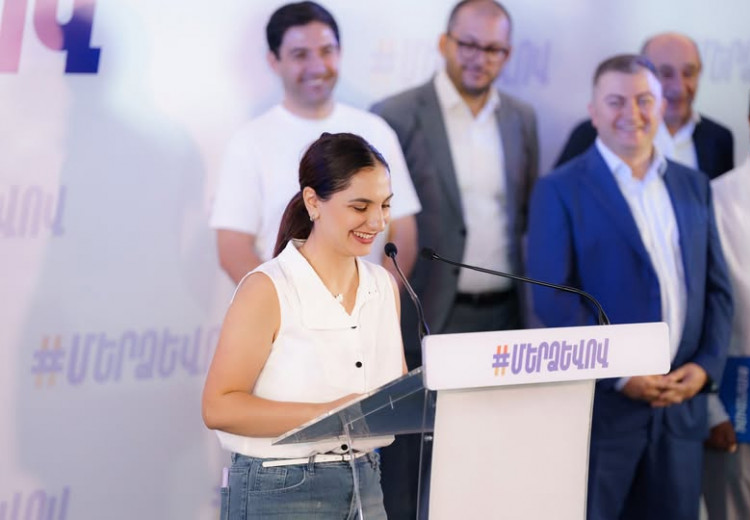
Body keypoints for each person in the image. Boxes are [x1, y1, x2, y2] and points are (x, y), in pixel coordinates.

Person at [527, 54, 732, 520]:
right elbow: (552, 297)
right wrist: (619, 373)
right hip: (605, 411)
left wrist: (705, 368)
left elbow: (718, 291)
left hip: (681, 410)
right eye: (616, 101)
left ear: (661, 106)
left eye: (644, 100)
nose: (632, 114)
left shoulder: (694, 185)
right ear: (593, 111)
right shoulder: (559, 189)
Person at [371, 1, 538, 517]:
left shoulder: (521, 118)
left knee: (488, 471)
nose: (478, 57)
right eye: (468, 44)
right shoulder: (395, 115)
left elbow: (524, 214)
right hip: (425, 315)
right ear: (444, 43)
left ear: (507, 54)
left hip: (504, 320)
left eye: (492, 48)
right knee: (408, 475)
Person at [202, 132, 407, 519]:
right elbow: (218, 406)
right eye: (360, 206)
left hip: (366, 479)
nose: (378, 222)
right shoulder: (267, 288)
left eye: (385, 205)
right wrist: (330, 414)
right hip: (281, 485)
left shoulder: (384, 286)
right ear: (313, 202)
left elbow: (390, 399)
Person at [210, 1, 420, 284]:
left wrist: (382, 297)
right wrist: (283, 303)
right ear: (274, 61)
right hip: (286, 308)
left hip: (365, 305)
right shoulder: (250, 141)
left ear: (340, 52)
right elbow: (232, 248)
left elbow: (403, 232)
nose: (317, 66)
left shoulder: (376, 130)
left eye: (326, 51)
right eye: (300, 55)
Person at [701, 69, 750, 520]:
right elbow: (698, 313)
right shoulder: (714, 199)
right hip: (740, 406)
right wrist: (711, 407)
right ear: (749, 120)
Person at [555, 32, 734, 179]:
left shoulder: (719, 139)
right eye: (666, 74)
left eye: (688, 73)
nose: (679, 87)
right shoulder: (591, 135)